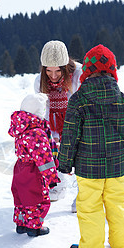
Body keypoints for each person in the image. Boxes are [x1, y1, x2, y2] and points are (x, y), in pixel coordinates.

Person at [57, 44, 124, 248]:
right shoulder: (122, 100)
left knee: (89, 208)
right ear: (113, 70)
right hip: (116, 168)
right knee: (118, 205)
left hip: (88, 169)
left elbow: (69, 136)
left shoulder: (78, 100)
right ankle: (122, 245)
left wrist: (64, 163)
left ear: (86, 71)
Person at [34, 40, 82, 210]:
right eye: (49, 71)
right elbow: (43, 110)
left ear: (66, 67)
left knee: (81, 154)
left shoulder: (78, 75)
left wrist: (72, 133)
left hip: (76, 119)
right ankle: (58, 184)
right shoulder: (40, 81)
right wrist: (50, 137)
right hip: (54, 122)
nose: (53, 76)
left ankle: (83, 193)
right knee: (53, 149)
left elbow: (81, 107)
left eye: (57, 71)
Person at [8, 93, 60, 237]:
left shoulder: (20, 127)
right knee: (37, 198)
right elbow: (44, 159)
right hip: (33, 169)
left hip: (20, 168)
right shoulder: (36, 132)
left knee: (22, 196)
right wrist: (51, 178)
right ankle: (34, 227)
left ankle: (21, 224)